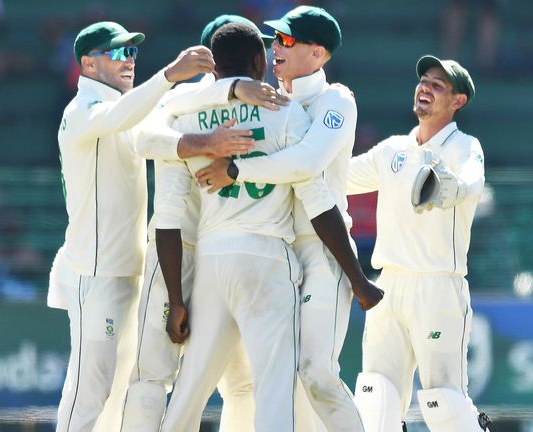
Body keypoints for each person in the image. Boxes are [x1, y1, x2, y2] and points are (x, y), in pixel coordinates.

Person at [166, 6, 383, 431]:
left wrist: (236, 169)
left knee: (315, 374)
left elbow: (307, 162)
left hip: (322, 251)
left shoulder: (334, 99)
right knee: (291, 390)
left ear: (318, 54)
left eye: (287, 40)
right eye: (274, 41)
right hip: (281, 252)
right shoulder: (271, 101)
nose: (276, 47)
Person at [48, 21, 257, 432]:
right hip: (97, 274)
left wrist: (225, 96)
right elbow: (126, 116)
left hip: (131, 272)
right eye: (117, 53)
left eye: (132, 53)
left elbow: (154, 135)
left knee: (119, 391)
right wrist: (167, 75)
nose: (128, 61)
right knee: (89, 389)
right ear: (88, 64)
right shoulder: (82, 113)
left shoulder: (128, 109)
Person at [119, 14, 279, 432]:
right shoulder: (184, 107)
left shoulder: (214, 106)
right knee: (156, 377)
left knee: (236, 382)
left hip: (212, 257)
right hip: (184, 254)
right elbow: (144, 142)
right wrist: (209, 142)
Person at [347, 55, 490, 432]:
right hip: (388, 285)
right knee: (375, 397)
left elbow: (472, 178)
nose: (424, 87)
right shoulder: (393, 149)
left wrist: (453, 186)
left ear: (457, 101)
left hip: (438, 286)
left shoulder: (464, 146)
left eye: (437, 85)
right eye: (424, 80)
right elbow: (337, 179)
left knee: (445, 401)